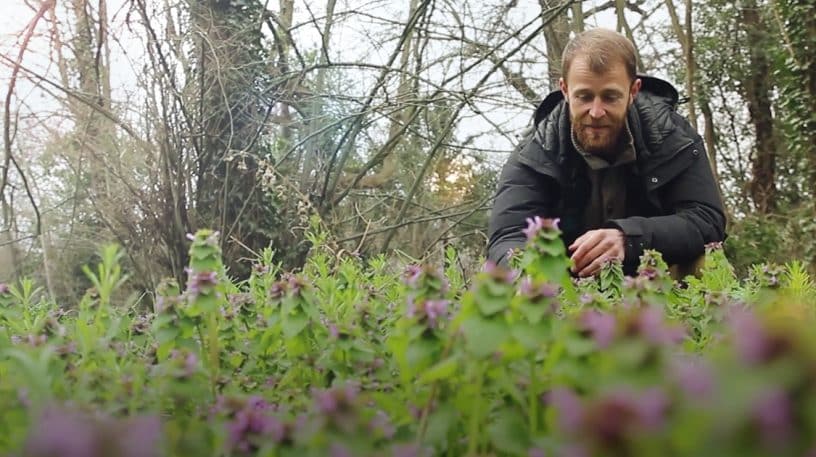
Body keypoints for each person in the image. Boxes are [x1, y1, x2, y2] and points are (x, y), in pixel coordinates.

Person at [487, 28, 725, 277]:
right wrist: (542, 281)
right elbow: (507, 237)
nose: (596, 112)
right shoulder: (536, 151)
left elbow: (706, 219)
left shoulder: (671, 136)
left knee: (707, 264)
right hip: (569, 284)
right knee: (511, 276)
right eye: (584, 97)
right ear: (565, 90)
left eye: (610, 97)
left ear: (633, 91)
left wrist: (629, 238)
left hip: (654, 275)